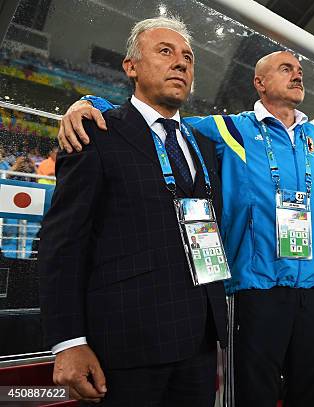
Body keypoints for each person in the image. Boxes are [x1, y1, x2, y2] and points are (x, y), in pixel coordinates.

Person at [58, 49, 314, 407]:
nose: (297, 75)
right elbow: (161, 121)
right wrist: (89, 103)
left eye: (299, 70)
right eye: (286, 69)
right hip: (254, 290)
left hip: (312, 291)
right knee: (253, 394)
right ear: (259, 82)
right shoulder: (231, 129)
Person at [37, 17, 227, 406]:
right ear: (131, 66)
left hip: (200, 342)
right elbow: (63, 243)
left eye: (188, 58)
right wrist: (69, 341)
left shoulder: (205, 147)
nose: (181, 63)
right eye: (165, 51)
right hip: (127, 344)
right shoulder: (95, 133)